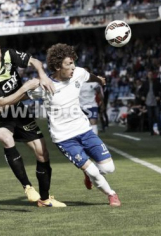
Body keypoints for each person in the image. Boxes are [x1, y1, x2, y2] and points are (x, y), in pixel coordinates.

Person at [0, 35, 65, 207]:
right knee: (6, 138)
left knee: (42, 152)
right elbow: (2, 102)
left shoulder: (8, 55)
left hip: (19, 112)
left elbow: (36, 62)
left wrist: (42, 76)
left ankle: (45, 199)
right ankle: (27, 187)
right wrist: (26, 88)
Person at [28, 43, 121, 207]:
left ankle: (88, 173)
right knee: (93, 170)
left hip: (85, 131)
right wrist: (0, 106)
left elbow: (88, 76)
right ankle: (111, 194)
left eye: (73, 63)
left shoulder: (78, 73)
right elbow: (22, 95)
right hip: (64, 138)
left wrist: (98, 79)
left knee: (108, 169)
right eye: (68, 64)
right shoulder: (44, 85)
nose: (73, 67)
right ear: (58, 66)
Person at [139, 70, 161, 135]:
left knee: (157, 116)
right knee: (150, 117)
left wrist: (159, 96)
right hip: (148, 102)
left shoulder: (157, 82)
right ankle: (151, 131)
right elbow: (140, 91)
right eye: (149, 74)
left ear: (153, 75)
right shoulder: (145, 83)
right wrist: (142, 96)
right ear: (147, 75)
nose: (150, 76)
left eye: (151, 74)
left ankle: (160, 130)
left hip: (155, 102)